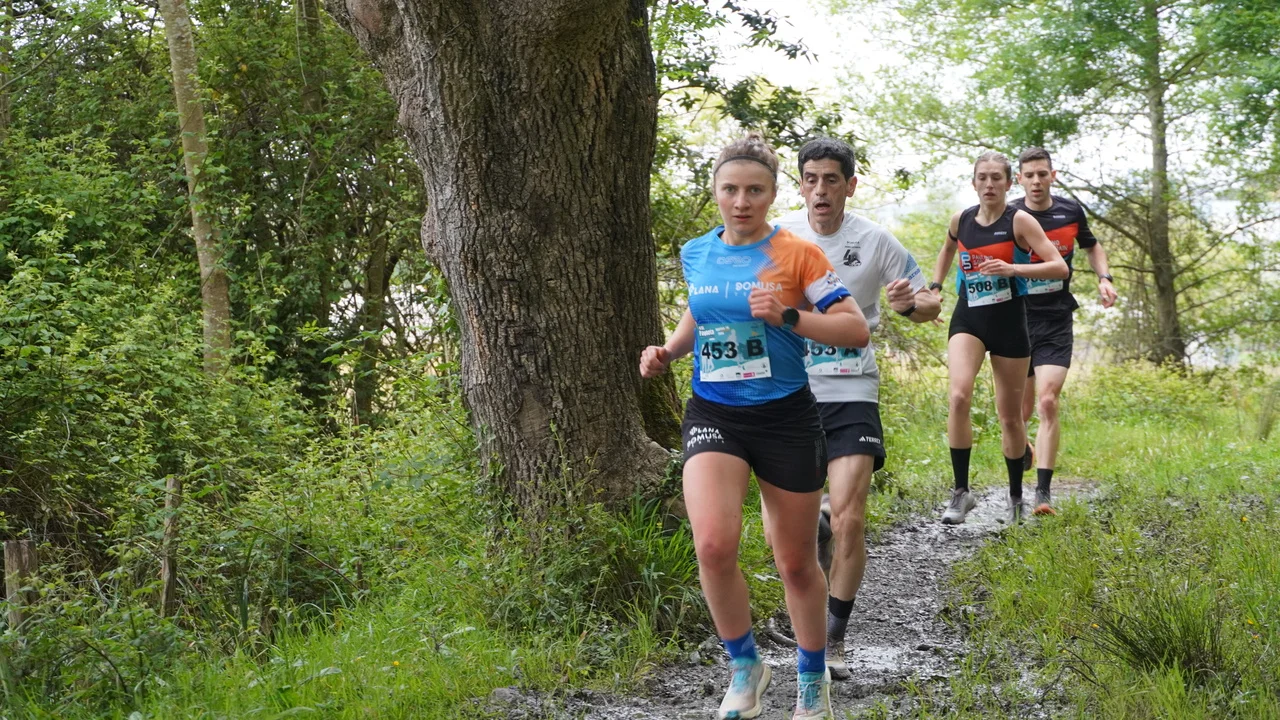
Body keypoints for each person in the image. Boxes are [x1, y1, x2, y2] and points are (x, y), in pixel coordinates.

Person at [639, 132, 869, 720]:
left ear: (772, 194)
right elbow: (700, 310)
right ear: (716, 191)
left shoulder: (797, 254)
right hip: (714, 411)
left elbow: (854, 329)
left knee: (794, 561)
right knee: (713, 546)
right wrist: (668, 351)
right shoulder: (697, 252)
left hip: (785, 417)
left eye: (755, 191)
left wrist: (791, 317)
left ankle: (811, 679)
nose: (741, 202)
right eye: (730, 190)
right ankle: (745, 668)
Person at [769, 137, 940, 680]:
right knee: (788, 532)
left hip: (850, 389)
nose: (821, 190)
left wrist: (910, 304)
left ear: (850, 185)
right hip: (789, 391)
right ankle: (812, 554)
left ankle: (833, 640)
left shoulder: (873, 239)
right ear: (800, 185)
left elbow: (930, 301)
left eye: (831, 180)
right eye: (811, 179)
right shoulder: (778, 237)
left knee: (850, 518)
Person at [929, 151, 1068, 525]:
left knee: (1010, 417)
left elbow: (1059, 267)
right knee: (958, 396)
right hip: (969, 318)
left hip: (1009, 323)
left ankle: (1015, 498)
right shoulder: (961, 220)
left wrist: (1013, 268)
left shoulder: (1019, 221)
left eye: (996, 178)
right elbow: (947, 249)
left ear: (1009, 183)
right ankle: (961, 492)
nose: (989, 184)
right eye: (982, 177)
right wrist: (935, 287)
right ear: (973, 182)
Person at [1012, 147, 1118, 515]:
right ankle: (1023, 447)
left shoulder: (1070, 211)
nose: (1036, 181)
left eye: (1042, 174)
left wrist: (1104, 278)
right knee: (1018, 411)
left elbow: (1092, 245)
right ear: (1019, 179)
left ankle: (1042, 493)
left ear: (1052, 176)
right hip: (1017, 318)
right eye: (1029, 175)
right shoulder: (1011, 214)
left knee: (1047, 401)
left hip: (1056, 317)